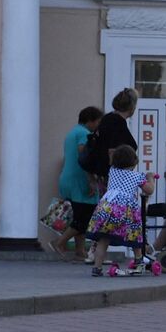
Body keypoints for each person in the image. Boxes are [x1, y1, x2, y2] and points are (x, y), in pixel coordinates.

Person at [86, 145, 156, 277]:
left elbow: (112, 154)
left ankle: (97, 267)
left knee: (104, 238)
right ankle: (138, 259)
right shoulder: (137, 176)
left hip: (106, 207)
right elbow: (149, 190)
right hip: (125, 209)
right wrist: (150, 178)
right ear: (134, 162)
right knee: (134, 233)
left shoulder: (112, 171)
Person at [51, 106, 102, 261]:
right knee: (86, 217)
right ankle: (60, 243)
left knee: (79, 216)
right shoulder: (84, 133)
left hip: (68, 179)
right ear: (91, 121)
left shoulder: (72, 132)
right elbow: (84, 155)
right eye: (98, 122)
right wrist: (91, 179)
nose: (98, 126)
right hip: (79, 180)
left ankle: (80, 251)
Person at [83, 88, 139, 190]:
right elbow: (112, 152)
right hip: (112, 180)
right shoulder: (117, 124)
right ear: (132, 107)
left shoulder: (108, 118)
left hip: (103, 175)